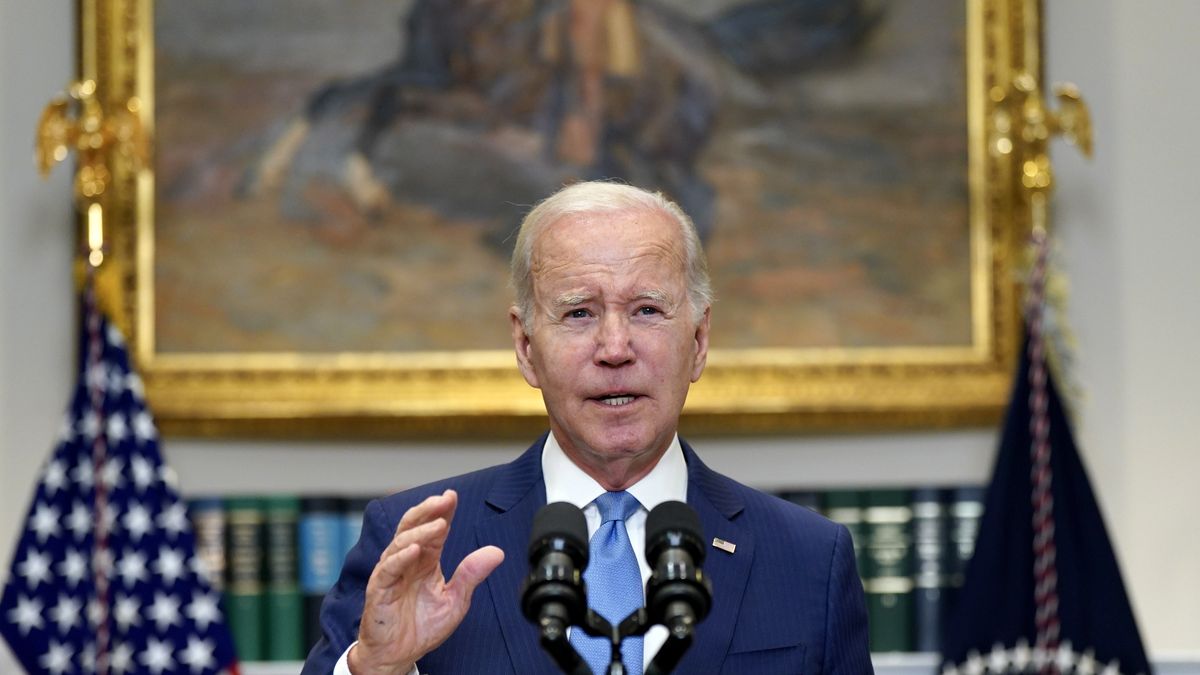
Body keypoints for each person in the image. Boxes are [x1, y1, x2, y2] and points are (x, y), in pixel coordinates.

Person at [301, 181, 872, 674]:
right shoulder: (424, 543)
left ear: (698, 342)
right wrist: (376, 669)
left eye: (647, 310)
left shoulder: (808, 559)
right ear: (526, 348)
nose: (615, 348)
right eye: (579, 313)